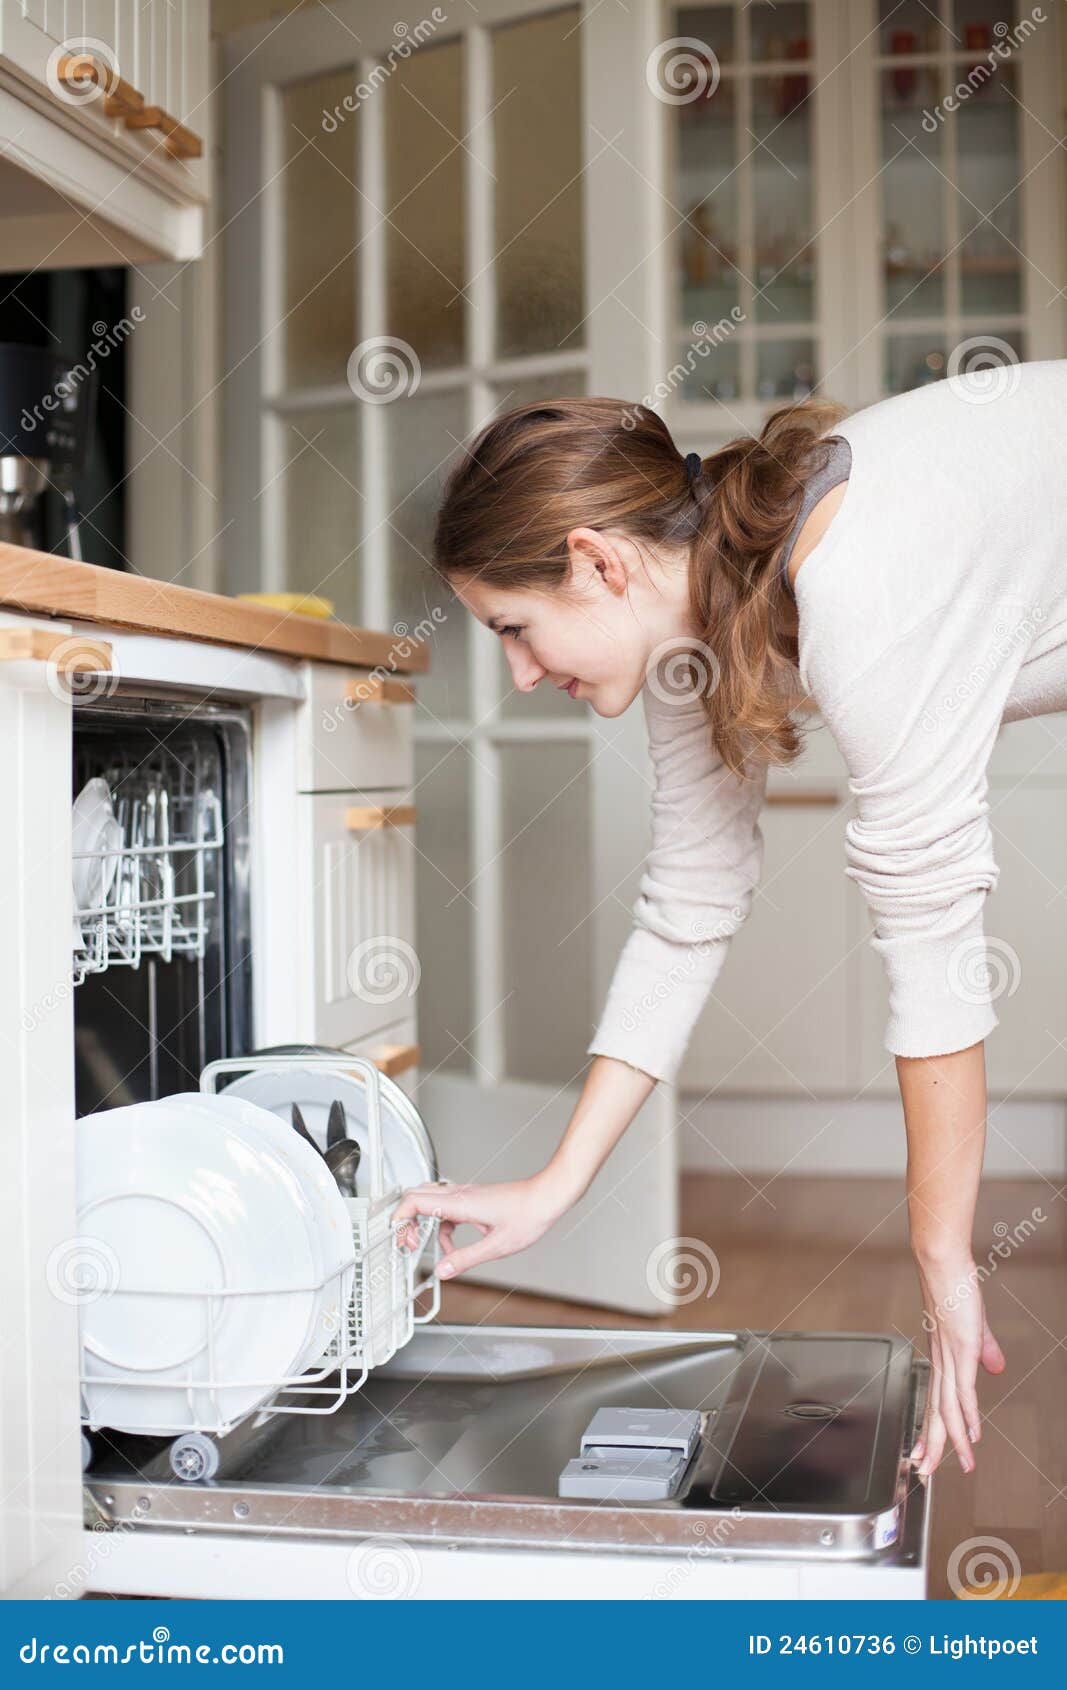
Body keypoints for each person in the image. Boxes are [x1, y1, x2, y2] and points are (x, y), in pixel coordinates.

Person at [394, 360, 1067, 1480]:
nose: (515, 673)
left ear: (596, 562)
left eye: (513, 627)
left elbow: (933, 946)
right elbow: (688, 905)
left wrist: (941, 1254)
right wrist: (553, 1186)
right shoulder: (684, 633)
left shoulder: (861, 581)